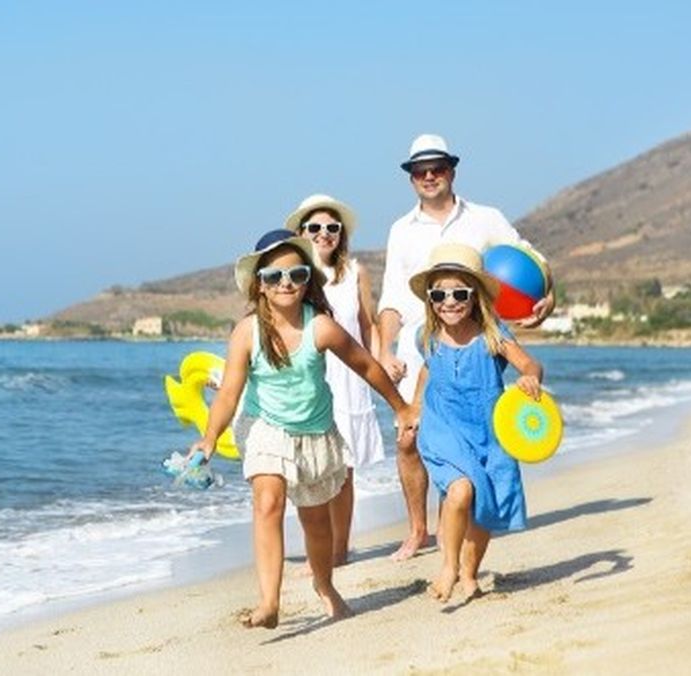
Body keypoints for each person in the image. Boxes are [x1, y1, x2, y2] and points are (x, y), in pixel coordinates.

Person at [189, 229, 415, 629]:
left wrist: (400, 407)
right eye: (274, 277)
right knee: (268, 502)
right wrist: (208, 439)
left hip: (314, 432)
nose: (285, 283)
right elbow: (228, 394)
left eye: (295, 274)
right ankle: (269, 602)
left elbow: (365, 366)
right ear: (259, 285)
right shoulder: (247, 332)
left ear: (308, 278)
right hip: (264, 426)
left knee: (314, 521)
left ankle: (325, 585)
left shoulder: (321, 327)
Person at [377, 133, 554, 561]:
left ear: (452, 171)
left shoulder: (486, 218)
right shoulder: (401, 231)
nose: (430, 176)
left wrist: (550, 297)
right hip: (423, 345)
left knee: (468, 441)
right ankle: (420, 530)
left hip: (476, 343)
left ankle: (452, 524)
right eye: (421, 171)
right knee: (407, 441)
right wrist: (385, 350)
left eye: (437, 168)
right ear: (411, 178)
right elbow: (392, 298)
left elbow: (530, 261)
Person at [407, 242, 542, 602]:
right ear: (431, 299)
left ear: (475, 295)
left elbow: (529, 364)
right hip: (443, 428)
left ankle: (469, 573)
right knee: (461, 490)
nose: (449, 302)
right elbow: (428, 371)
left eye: (459, 293)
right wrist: (414, 407)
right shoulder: (425, 336)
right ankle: (449, 566)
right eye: (440, 294)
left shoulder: (493, 335)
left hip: (490, 430)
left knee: (484, 504)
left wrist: (530, 378)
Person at [284, 194, 384, 567]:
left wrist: (381, 363)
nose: (324, 234)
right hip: (308, 378)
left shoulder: (354, 271)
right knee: (310, 469)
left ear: (341, 234)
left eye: (332, 227)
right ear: (301, 232)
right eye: (315, 227)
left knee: (344, 472)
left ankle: (339, 551)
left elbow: (367, 324)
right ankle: (318, 549)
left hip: (350, 378)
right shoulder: (293, 274)